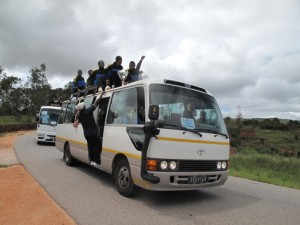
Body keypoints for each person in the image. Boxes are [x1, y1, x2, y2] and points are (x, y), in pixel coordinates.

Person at [73, 91, 105, 167]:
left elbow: (75, 125)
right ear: (84, 107)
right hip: (93, 132)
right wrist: (102, 95)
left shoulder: (80, 116)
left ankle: (92, 161)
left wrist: (77, 115)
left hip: (86, 135)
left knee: (90, 147)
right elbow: (96, 103)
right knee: (97, 146)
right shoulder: (88, 111)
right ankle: (97, 162)